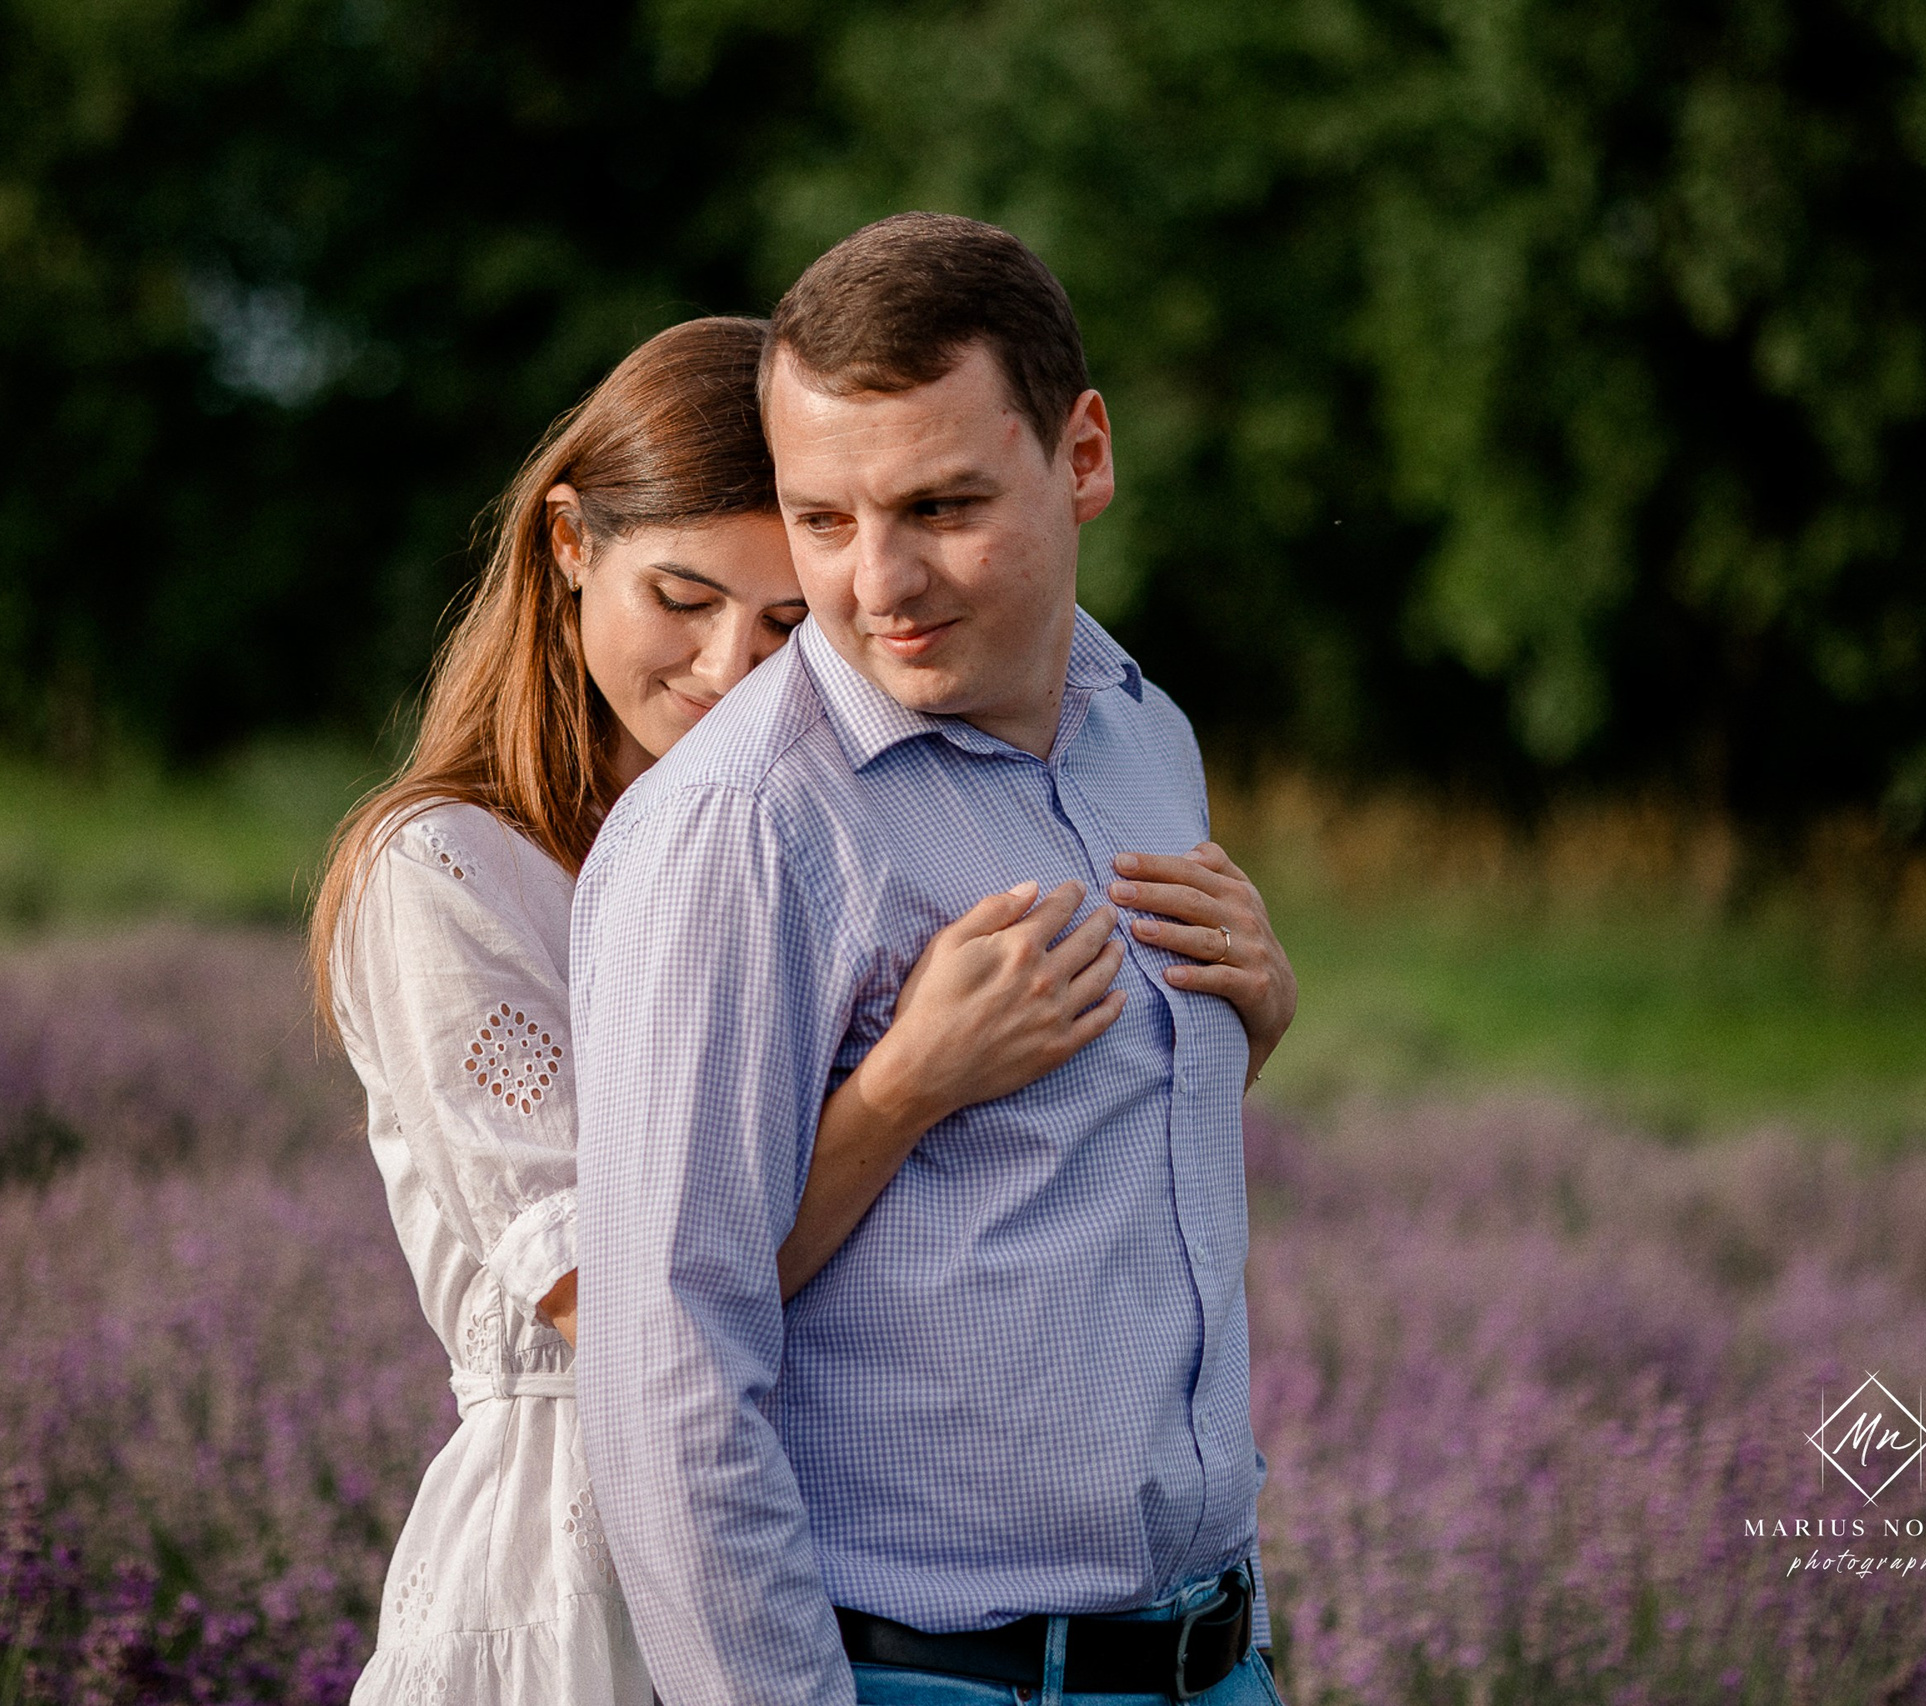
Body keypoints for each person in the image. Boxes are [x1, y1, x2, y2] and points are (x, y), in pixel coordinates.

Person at [312, 315, 1155, 1706]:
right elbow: (638, 1316)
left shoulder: (796, 840)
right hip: (576, 1594)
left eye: (785, 624)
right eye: (683, 597)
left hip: (828, 1572)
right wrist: (904, 1087)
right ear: (570, 545)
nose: (726, 672)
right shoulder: (451, 873)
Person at [571, 216, 1298, 1706]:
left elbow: (1088, 1182)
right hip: (934, 1679)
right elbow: (666, 1371)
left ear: (1082, 454)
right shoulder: (740, 829)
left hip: (1211, 1658)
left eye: (941, 504)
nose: (877, 583)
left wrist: (1245, 1029)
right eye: (822, 520)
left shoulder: (1145, 738)